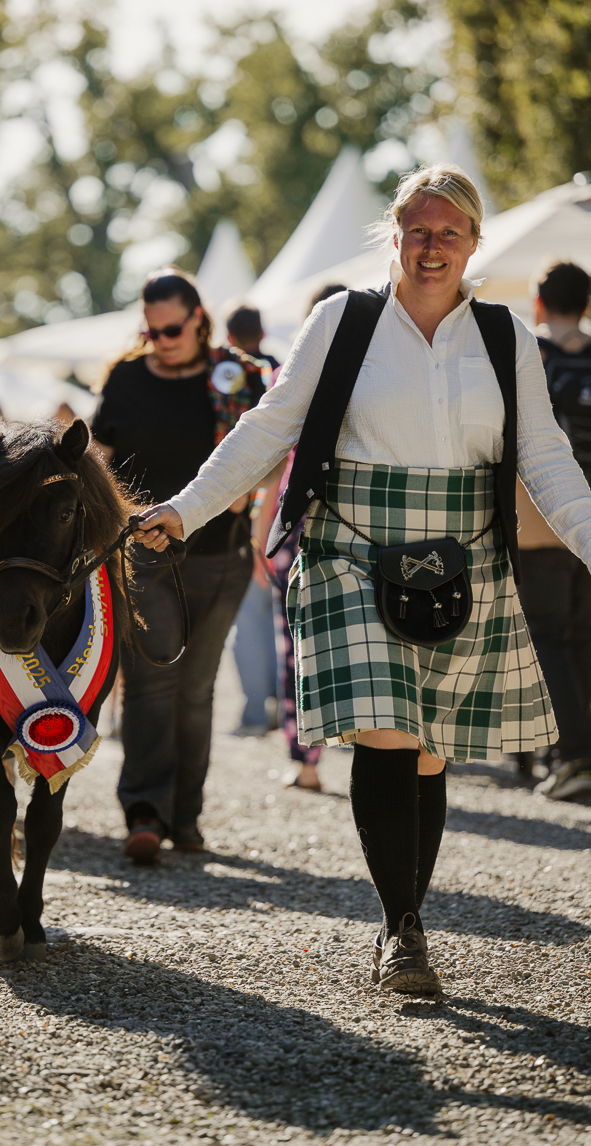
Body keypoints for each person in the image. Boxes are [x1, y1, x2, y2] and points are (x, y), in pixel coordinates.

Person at [134, 163, 591, 996]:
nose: (432, 247)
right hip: (350, 548)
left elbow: (546, 459)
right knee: (386, 729)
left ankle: (405, 915)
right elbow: (270, 426)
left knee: (429, 750)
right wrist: (187, 508)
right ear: (395, 235)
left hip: (464, 556)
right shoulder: (343, 320)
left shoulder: (505, 337)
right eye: (418, 230)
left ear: (474, 242)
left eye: (449, 233)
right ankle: (402, 929)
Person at [92, 267, 265, 862]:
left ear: (197, 318)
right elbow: (99, 460)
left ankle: (186, 816)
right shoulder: (126, 377)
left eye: (172, 330)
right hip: (142, 555)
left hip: (220, 556)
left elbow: (273, 449)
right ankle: (144, 809)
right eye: (152, 330)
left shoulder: (235, 377)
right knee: (151, 680)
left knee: (195, 690)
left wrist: (251, 489)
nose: (161, 341)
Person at [516, 261, 591, 801]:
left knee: (546, 635)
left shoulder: (529, 355)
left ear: (539, 302)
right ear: (585, 304)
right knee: (584, 637)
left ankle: (574, 758)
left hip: (541, 519)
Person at [269, 283, 347, 789]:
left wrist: (263, 533)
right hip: (359, 520)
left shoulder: (290, 373)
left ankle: (306, 762)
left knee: (296, 644)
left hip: (297, 524)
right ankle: (377, 751)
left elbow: (274, 462)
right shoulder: (378, 371)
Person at [222, 303, 279, 735]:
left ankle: (256, 713)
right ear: (263, 332)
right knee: (285, 619)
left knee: (250, 620)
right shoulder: (284, 374)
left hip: (246, 515)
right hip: (290, 516)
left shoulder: (224, 381)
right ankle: (285, 705)